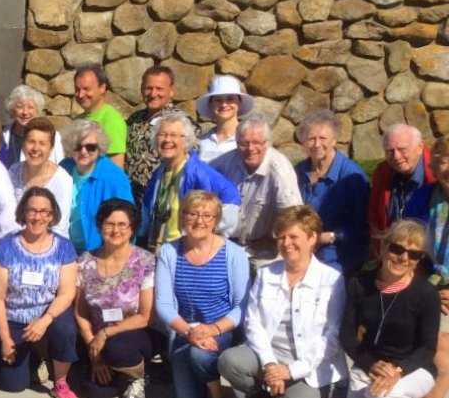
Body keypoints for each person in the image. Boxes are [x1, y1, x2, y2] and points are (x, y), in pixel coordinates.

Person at [218, 206, 345, 398]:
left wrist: (291, 371)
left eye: (294, 237)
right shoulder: (267, 274)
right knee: (230, 361)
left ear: (312, 238)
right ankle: (264, 397)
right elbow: (253, 322)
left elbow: (332, 337)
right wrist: (270, 365)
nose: (286, 243)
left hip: (310, 366)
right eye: (281, 237)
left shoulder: (332, 280)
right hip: (270, 356)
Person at [340, 219, 439, 398]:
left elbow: (427, 348)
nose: (403, 258)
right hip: (370, 365)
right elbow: (346, 334)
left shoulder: (426, 294)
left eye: (413, 254)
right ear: (384, 247)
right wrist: (370, 364)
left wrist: (398, 371)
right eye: (397, 249)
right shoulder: (360, 283)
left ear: (418, 260)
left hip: (413, 369)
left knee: (383, 395)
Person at [154, 189, 251, 398]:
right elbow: (163, 304)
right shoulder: (169, 251)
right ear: (183, 216)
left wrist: (213, 329)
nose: (199, 221)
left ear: (216, 220)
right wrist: (189, 332)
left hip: (222, 329)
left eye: (207, 215)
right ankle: (205, 379)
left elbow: (242, 306)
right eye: (192, 214)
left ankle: (218, 397)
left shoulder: (233, 254)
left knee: (200, 355)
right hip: (185, 330)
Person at [0, 187, 79, 398]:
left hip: (49, 314)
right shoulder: (5, 249)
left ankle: (60, 381)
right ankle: (34, 357)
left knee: (65, 328)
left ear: (52, 215)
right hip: (15, 316)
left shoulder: (64, 248)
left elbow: (66, 294)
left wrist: (45, 320)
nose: (38, 217)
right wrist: (5, 338)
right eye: (32, 210)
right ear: (23, 212)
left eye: (44, 211)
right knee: (13, 385)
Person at [74, 199, 155, 398]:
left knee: (116, 348)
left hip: (132, 335)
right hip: (95, 337)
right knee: (94, 393)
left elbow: (146, 316)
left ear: (132, 228)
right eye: (109, 224)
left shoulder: (145, 261)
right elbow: (81, 312)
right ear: (100, 226)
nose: (115, 230)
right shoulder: (86, 261)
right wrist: (94, 354)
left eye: (122, 225)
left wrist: (106, 333)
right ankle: (122, 375)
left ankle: (138, 374)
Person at [402, 135, 449, 398]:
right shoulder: (424, 198)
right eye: (443, 161)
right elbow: (407, 245)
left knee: (442, 347)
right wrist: (426, 291)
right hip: (430, 285)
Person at [140, 110, 239, 250]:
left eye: (174, 135)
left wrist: (203, 232)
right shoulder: (159, 173)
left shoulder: (199, 173)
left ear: (186, 140)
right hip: (157, 249)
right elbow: (146, 210)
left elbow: (231, 197)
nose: (167, 140)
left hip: (185, 251)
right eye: (162, 134)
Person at [211, 116, 303, 265]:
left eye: (257, 143)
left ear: (268, 143)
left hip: (263, 249)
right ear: (236, 143)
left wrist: (275, 238)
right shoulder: (222, 164)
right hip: (224, 242)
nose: (250, 148)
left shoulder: (280, 171)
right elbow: (201, 198)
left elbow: (293, 215)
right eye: (244, 143)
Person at [294, 109, 369, 275]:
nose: (317, 144)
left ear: (334, 140)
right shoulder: (299, 171)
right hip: (304, 250)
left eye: (323, 138)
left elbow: (362, 225)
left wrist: (330, 236)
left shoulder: (351, 175)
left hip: (339, 254)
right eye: (311, 139)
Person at [58, 120, 133, 252]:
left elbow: (129, 220)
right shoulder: (63, 169)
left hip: (100, 252)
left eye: (91, 147)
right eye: (78, 146)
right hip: (64, 247)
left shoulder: (114, 178)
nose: (83, 151)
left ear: (99, 148)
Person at [7, 116, 73, 238]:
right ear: (23, 144)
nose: (36, 148)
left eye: (42, 143)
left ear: (51, 149)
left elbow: (59, 228)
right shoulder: (13, 172)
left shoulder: (62, 180)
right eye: (31, 142)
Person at [369, 123, 432, 248]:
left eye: (402, 149)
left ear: (420, 147)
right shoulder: (382, 173)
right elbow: (374, 218)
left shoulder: (437, 176)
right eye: (390, 151)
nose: (396, 157)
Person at [123, 65, 176, 204]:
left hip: (159, 200)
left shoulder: (180, 123)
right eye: (148, 88)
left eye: (159, 89)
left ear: (171, 91)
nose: (153, 94)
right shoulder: (134, 119)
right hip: (129, 200)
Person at [73, 65, 126, 168]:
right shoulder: (78, 120)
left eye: (86, 89)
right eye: (77, 89)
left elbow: (115, 169)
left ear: (102, 88)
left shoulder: (112, 120)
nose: (80, 94)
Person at [0, 84, 62, 169]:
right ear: (12, 110)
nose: (25, 112)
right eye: (20, 107)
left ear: (37, 110)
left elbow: (59, 167)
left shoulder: (53, 136)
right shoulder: (0, 134)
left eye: (30, 107)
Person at [196, 75, 254, 163]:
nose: (224, 105)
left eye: (230, 99)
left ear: (240, 102)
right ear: (211, 105)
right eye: (218, 100)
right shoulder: (202, 142)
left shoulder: (249, 140)